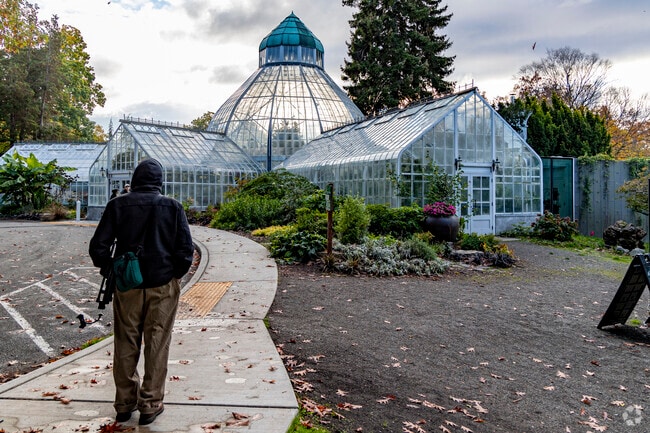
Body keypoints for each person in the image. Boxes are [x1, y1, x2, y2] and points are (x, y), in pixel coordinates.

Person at [89, 159, 193, 425]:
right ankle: (150, 404)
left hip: (127, 286)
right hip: (162, 284)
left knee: (125, 341)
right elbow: (185, 250)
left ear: (134, 180)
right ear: (160, 182)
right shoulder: (173, 207)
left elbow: (98, 248)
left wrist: (114, 270)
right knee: (157, 342)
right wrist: (174, 275)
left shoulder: (117, 205)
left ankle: (124, 404)